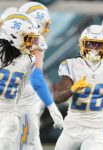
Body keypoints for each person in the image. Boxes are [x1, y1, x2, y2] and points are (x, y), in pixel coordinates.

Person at [52, 25, 103, 150]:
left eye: (98, 44)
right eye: (89, 43)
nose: (93, 48)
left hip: (96, 130)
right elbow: (56, 98)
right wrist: (72, 89)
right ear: (82, 44)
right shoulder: (72, 65)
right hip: (72, 128)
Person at [11, 2, 63, 150]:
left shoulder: (8, 36)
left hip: (13, 97)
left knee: (31, 143)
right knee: (24, 144)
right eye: (43, 25)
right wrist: (52, 107)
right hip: (21, 101)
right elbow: (36, 78)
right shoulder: (35, 42)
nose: (45, 29)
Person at [0, 12, 40, 150]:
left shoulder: (29, 60)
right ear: (13, 35)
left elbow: (21, 87)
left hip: (8, 109)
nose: (31, 43)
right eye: (27, 38)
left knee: (7, 138)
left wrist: (14, 108)